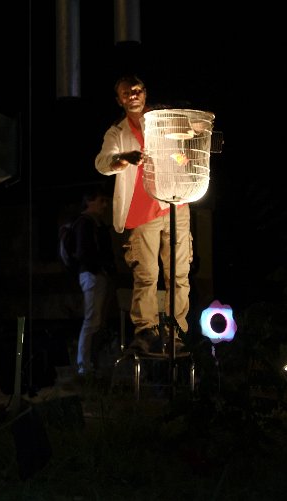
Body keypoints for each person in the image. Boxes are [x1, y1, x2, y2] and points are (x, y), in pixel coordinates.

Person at [94, 74, 193, 355]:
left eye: (137, 90)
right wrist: (124, 158)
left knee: (179, 273)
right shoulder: (117, 132)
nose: (133, 96)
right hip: (141, 212)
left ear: (145, 93)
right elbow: (102, 162)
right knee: (147, 275)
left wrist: (183, 159)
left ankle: (176, 331)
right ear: (120, 100)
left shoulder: (163, 120)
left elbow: (181, 152)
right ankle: (147, 331)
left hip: (174, 205)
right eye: (127, 93)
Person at [73, 186, 115, 376]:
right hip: (92, 274)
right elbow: (84, 252)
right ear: (89, 201)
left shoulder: (93, 223)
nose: (104, 205)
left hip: (95, 274)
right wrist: (101, 267)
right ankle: (84, 365)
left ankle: (89, 363)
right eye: (101, 201)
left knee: (95, 321)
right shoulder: (85, 223)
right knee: (91, 320)